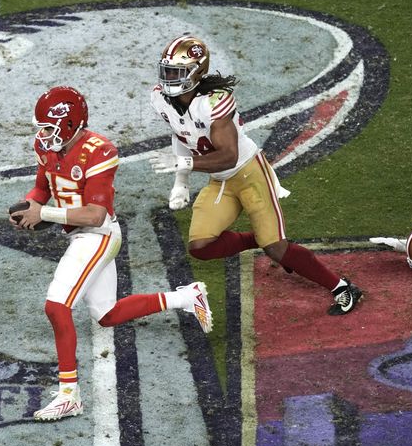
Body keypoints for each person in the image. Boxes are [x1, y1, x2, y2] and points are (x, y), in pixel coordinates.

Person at [10, 85, 213, 421]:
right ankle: (187, 298)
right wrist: (29, 205)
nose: (43, 136)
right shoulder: (46, 147)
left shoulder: (99, 151)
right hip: (79, 235)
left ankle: (68, 395)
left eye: (49, 128)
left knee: (56, 306)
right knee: (107, 314)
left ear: (71, 123)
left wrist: (42, 214)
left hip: (98, 234)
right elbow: (43, 188)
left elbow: (95, 215)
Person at [148, 34, 363, 315]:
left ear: (196, 72)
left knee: (276, 249)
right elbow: (181, 134)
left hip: (250, 174)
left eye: (177, 72)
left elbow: (228, 155)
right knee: (200, 246)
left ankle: (343, 288)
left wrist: (184, 165)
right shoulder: (160, 98)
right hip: (221, 180)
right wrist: (181, 183)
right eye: (167, 71)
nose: (169, 78)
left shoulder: (214, 102)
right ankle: (258, 239)